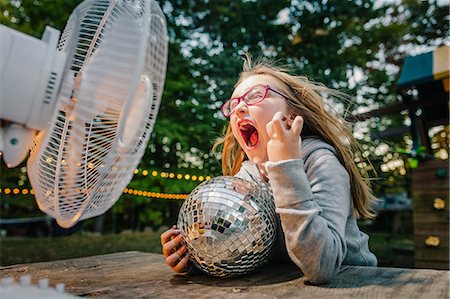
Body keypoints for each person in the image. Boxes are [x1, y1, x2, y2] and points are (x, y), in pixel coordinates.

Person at [161, 55, 378, 284]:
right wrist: (199, 259)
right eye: (233, 105)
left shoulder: (321, 163)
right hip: (284, 285)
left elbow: (322, 266)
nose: (240, 108)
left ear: (292, 115)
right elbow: (242, 248)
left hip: (356, 283)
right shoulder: (246, 178)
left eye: (256, 96)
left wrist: (285, 167)